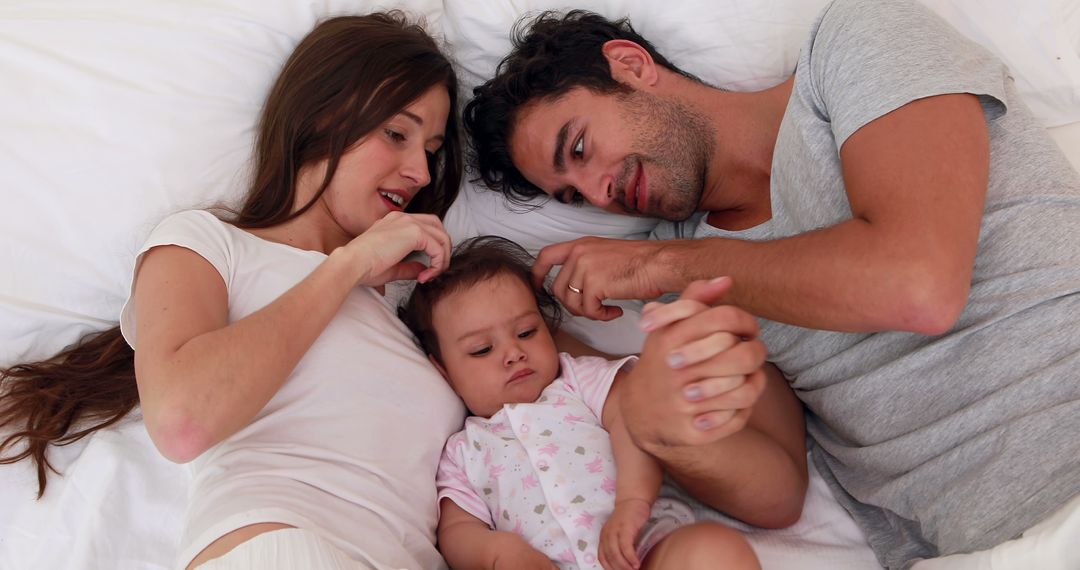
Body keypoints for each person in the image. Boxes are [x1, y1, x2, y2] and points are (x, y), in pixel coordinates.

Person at [0, 12, 776, 570]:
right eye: (397, 135)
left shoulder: (416, 306)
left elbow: (564, 383)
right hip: (286, 543)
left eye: (432, 150)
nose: (415, 172)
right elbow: (183, 421)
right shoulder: (204, 246)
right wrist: (342, 267)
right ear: (325, 113)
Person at [461, 0, 1080, 569]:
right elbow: (779, 493)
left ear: (631, 66)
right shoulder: (679, 272)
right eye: (574, 195)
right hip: (978, 548)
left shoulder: (858, 40)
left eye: (582, 147)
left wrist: (670, 269)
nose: (600, 192)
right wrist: (666, 432)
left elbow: (920, 283)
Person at [400, 236, 806, 570]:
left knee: (711, 550)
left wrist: (632, 503)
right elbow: (457, 530)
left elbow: (632, 424)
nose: (513, 353)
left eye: (526, 332)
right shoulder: (462, 451)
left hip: (638, 547)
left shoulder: (579, 380)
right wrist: (494, 554)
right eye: (482, 349)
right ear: (443, 370)